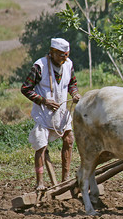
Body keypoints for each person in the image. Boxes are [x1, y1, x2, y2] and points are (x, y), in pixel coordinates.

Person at [21, 38, 81, 190]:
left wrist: (74, 94)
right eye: (61, 55)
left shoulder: (69, 65)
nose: (64, 58)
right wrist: (43, 101)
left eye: (66, 55)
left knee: (69, 140)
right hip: (43, 113)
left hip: (62, 112)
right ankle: (40, 182)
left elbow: (72, 84)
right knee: (41, 145)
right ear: (52, 52)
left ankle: (65, 179)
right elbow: (26, 88)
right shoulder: (39, 66)